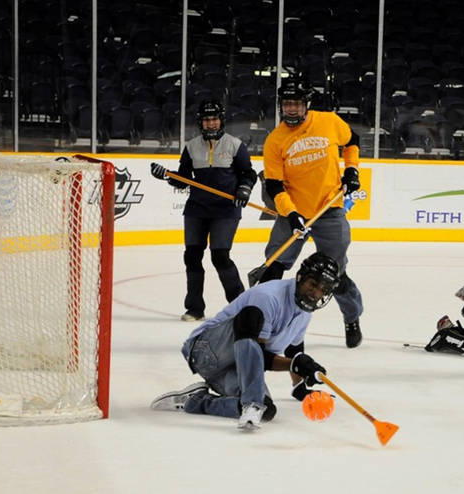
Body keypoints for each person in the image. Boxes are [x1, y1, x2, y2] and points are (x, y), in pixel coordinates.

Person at [149, 252, 339, 431]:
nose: (316, 293)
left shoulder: (304, 312)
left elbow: (294, 351)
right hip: (206, 351)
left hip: (236, 365)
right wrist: (295, 365)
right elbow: (259, 354)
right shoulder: (269, 296)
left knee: (266, 409)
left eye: (323, 290)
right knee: (251, 315)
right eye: (313, 284)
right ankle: (252, 404)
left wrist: (300, 383)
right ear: (300, 277)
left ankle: (194, 401)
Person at [255, 75, 364, 348]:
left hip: (329, 210)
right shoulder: (275, 140)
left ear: (307, 104)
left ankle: (352, 317)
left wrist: (352, 169)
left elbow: (352, 140)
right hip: (293, 214)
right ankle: (259, 320)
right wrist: (291, 214)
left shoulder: (328, 121)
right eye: (286, 104)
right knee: (273, 265)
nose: (291, 109)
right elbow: (274, 185)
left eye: (296, 104)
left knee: (335, 274)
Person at [150, 100, 257, 321]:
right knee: (192, 256)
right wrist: (167, 175)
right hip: (197, 209)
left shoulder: (235, 145)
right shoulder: (191, 146)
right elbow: (183, 180)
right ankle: (195, 308)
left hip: (226, 210)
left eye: (214, 119)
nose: (211, 123)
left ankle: (239, 306)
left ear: (221, 120)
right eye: (207, 120)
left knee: (220, 257)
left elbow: (248, 174)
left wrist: (244, 189)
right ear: (201, 122)